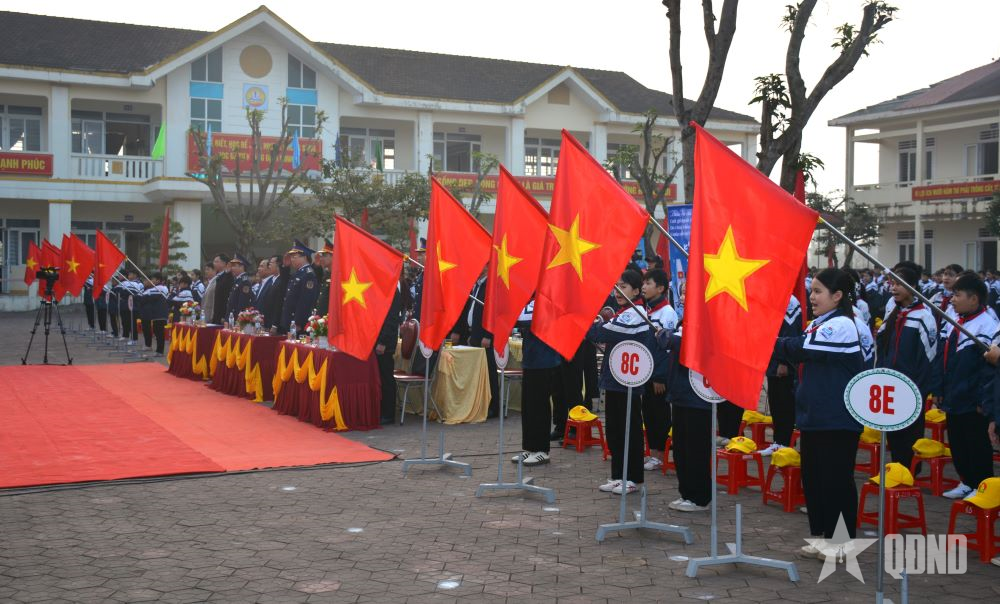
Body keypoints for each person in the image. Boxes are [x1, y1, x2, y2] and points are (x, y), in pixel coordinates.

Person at [774, 268, 871, 557]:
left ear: (837, 295)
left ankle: (840, 542)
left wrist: (763, 339)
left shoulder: (842, 324)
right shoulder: (820, 322)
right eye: (811, 290)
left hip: (837, 417)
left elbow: (799, 349)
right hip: (815, 415)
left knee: (836, 481)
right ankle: (822, 536)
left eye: (818, 291)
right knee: (814, 479)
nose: (811, 296)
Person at [587, 269, 653, 495]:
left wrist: (587, 324)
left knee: (629, 429)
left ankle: (632, 477)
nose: (618, 291)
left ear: (636, 290)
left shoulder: (636, 313)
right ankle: (618, 475)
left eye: (623, 287)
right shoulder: (623, 311)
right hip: (615, 379)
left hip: (629, 382)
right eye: (616, 286)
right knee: (615, 429)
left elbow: (602, 333)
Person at [933, 272, 997, 499]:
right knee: (958, 442)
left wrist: (983, 401)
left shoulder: (988, 326)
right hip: (954, 394)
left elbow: (987, 370)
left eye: (957, 295)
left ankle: (983, 487)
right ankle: (967, 481)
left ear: (974, 299)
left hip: (973, 399)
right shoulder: (955, 320)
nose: (952, 299)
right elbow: (943, 356)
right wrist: (940, 389)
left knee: (977, 444)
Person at [876, 265, 937, 472]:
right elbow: (883, 346)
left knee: (909, 433)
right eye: (892, 283)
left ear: (913, 287)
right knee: (893, 432)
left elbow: (928, 357)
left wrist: (918, 389)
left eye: (899, 284)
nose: (894, 288)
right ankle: (896, 470)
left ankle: (910, 472)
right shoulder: (891, 308)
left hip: (912, 386)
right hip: (891, 382)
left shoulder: (923, 316)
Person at [655, 324, 710, 512]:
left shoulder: (709, 322)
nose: (685, 296)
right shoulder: (684, 322)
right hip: (679, 393)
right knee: (681, 448)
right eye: (684, 293)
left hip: (698, 395)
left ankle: (699, 497)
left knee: (696, 448)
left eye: (688, 293)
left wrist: (667, 336)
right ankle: (686, 493)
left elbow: (685, 343)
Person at [510, 298, 561, 466]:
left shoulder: (545, 301)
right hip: (531, 360)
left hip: (544, 361)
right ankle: (530, 447)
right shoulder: (532, 301)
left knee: (539, 405)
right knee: (529, 406)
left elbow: (522, 318)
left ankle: (541, 449)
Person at [640, 268, 678, 471]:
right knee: (649, 412)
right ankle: (653, 452)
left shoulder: (668, 313)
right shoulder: (648, 310)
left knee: (659, 414)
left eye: (648, 283)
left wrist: (660, 377)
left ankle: (660, 454)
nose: (644, 287)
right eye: (643, 283)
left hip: (658, 375)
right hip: (646, 372)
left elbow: (666, 349)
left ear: (661, 288)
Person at [760, 294, 803, 456]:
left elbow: (790, 332)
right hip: (772, 359)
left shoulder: (789, 300)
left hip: (783, 362)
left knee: (784, 402)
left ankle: (785, 442)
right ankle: (778, 441)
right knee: (775, 402)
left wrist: (783, 361)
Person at [467, 271, 499, 418]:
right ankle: (481, 403)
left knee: (489, 372)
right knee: (479, 373)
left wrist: (488, 335)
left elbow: (493, 311)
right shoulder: (478, 285)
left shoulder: (490, 284)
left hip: (485, 337)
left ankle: (493, 405)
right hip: (475, 334)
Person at [376, 280, 404, 425]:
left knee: (386, 377)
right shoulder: (380, 286)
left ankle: (388, 413)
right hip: (376, 339)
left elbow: (392, 319)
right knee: (379, 377)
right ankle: (380, 410)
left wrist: (383, 342)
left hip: (385, 343)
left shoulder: (392, 289)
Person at [279, 241, 319, 335]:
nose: (292, 259)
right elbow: (284, 285)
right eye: (291, 257)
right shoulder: (299, 273)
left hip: (297, 323)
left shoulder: (308, 274)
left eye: (294, 257)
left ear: (304, 257)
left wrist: (298, 322)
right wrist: (285, 267)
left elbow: (305, 301)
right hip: (290, 320)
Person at [138, 272, 169, 355]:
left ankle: (160, 351)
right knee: (157, 331)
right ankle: (159, 350)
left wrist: (141, 297)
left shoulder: (160, 288)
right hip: (157, 314)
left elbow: (145, 298)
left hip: (160, 314)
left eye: (153, 279)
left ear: (158, 280)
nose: (151, 281)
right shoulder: (156, 288)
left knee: (159, 333)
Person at [117, 268, 144, 342]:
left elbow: (130, 293)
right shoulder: (127, 282)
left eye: (130, 274)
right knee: (125, 321)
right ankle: (125, 335)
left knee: (132, 322)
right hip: (126, 305)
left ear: (135, 275)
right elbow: (120, 292)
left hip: (134, 305)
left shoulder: (139, 283)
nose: (128, 275)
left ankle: (134, 338)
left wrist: (124, 293)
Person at [224, 254, 254, 320]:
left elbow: (242, 303)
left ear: (242, 267)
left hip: (237, 318)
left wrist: (237, 318)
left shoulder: (244, 281)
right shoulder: (238, 280)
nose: (232, 268)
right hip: (232, 316)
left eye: (234, 266)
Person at [207, 254, 234, 325]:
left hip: (221, 315)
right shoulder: (219, 276)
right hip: (214, 314)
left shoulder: (228, 277)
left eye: (216, 261)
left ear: (224, 263)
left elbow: (226, 297)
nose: (214, 263)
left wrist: (224, 316)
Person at [314, 239, 334, 316]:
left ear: (333, 256)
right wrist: (317, 267)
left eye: (325, 256)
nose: (321, 258)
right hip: (322, 318)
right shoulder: (326, 274)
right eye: (322, 256)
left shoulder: (337, 275)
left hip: (330, 318)